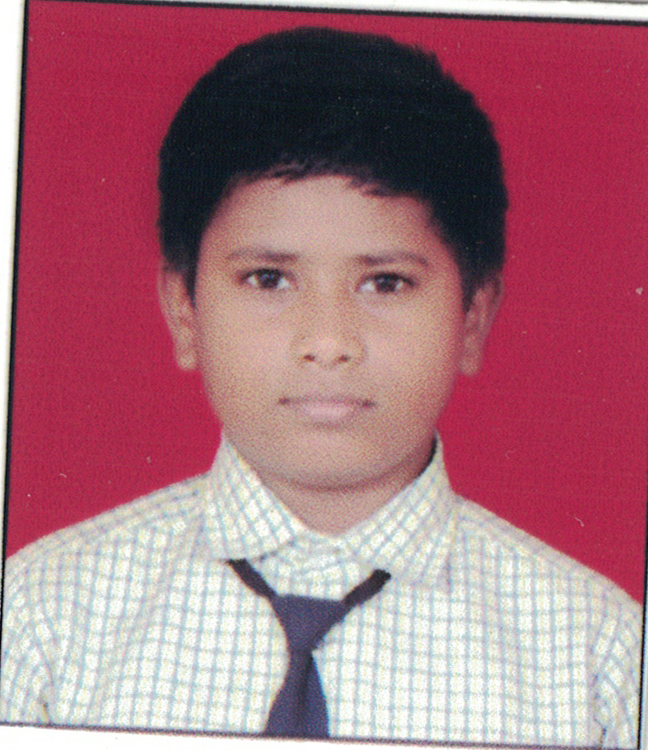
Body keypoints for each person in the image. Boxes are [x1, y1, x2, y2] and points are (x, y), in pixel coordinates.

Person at [0, 26, 641, 747]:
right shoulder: (42, 618)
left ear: (473, 316)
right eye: (268, 279)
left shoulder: (596, 657)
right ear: (183, 309)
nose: (329, 341)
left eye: (385, 282)